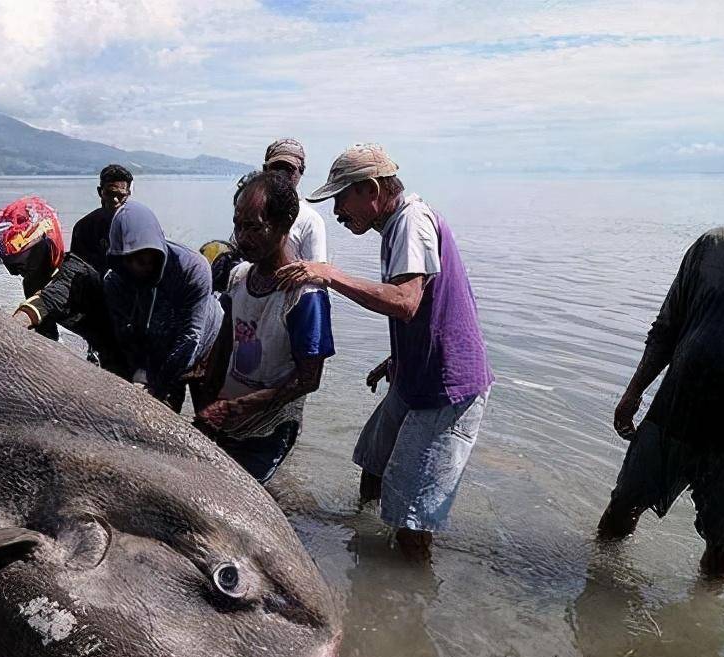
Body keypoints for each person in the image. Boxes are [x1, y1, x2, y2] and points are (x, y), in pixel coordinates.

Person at [278, 143, 493, 561]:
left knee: (412, 518)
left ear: (371, 190)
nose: (338, 212)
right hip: (416, 373)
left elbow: (405, 300)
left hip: (446, 387)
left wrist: (329, 274)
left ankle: (407, 591)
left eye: (342, 198)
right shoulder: (397, 224)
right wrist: (398, 356)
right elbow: (431, 305)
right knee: (374, 463)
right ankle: (365, 550)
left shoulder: (411, 222)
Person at [597, 227, 724, 578]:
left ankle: (702, 618)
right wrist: (633, 393)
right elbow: (667, 326)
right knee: (621, 508)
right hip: (673, 412)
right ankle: (598, 584)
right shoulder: (712, 247)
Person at [194, 172, 335, 484]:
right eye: (238, 225)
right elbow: (224, 342)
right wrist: (207, 399)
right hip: (227, 414)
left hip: (269, 425)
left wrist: (243, 406)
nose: (242, 237)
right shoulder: (240, 277)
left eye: (254, 227)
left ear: (284, 224)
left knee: (243, 494)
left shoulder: (305, 296)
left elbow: (309, 378)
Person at [105, 201, 223, 411]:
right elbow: (125, 334)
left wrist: (158, 386)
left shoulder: (192, 268)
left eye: (145, 259)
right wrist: (141, 373)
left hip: (207, 346)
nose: (140, 267)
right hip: (159, 347)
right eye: (130, 260)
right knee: (158, 412)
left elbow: (191, 335)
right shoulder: (114, 282)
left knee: (210, 418)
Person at [0, 196, 127, 375]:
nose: (16, 271)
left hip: (127, 344)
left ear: (47, 243)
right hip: (101, 345)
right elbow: (46, 334)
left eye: (22, 260)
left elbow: (47, 300)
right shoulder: (32, 282)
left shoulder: (74, 272)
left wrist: (4, 330)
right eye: (9, 263)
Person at [262, 138, 328, 263]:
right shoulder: (252, 211)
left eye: (288, 169)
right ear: (265, 170)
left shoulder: (310, 220)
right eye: (276, 168)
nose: (281, 175)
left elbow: (317, 273)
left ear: (301, 171)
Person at [70, 164, 133, 273]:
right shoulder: (84, 227)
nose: (115, 200)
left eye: (120, 195)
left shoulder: (137, 225)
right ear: (100, 192)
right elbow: (75, 266)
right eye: (109, 193)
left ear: (128, 194)